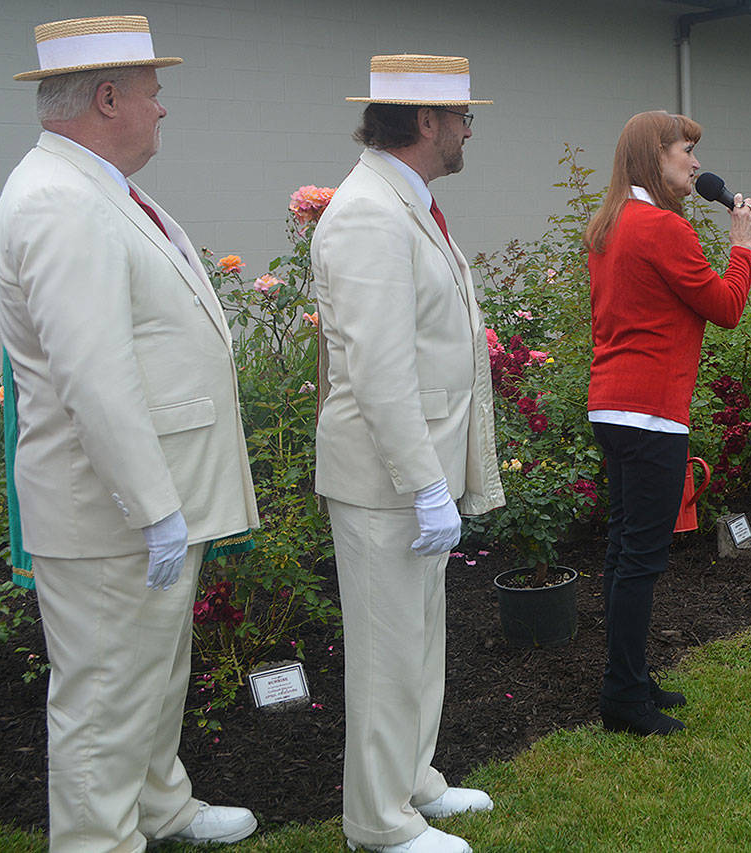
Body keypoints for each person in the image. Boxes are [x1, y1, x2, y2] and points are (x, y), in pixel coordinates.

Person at [0, 15, 261, 851]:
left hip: (137, 501)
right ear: (108, 98)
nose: (161, 109)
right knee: (105, 700)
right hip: (110, 509)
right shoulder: (59, 202)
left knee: (149, 675)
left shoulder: (91, 187)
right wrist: (153, 508)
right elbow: (93, 378)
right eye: (152, 92)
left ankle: (159, 805)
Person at [312, 54, 505, 853]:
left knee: (419, 638)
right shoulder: (369, 212)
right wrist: (426, 483)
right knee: (388, 652)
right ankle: (378, 821)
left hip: (413, 471)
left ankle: (413, 777)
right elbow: (382, 369)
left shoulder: (405, 204)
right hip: (386, 475)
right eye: (463, 117)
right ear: (427, 123)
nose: (467, 131)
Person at [585, 110, 751, 736]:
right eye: (683, 149)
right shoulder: (661, 228)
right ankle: (623, 699)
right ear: (651, 157)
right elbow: (727, 307)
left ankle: (627, 680)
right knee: (641, 558)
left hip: (612, 404)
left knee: (622, 551)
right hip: (651, 411)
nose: (694, 161)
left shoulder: (610, 223)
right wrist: (741, 245)